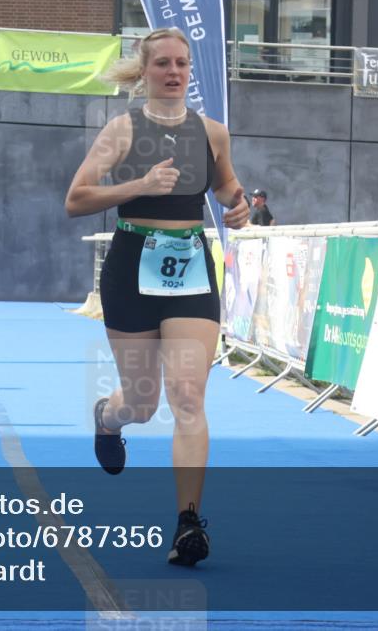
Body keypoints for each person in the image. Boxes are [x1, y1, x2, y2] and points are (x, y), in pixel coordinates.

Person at [64, 28, 249, 567]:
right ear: (144, 71)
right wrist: (139, 184)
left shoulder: (213, 132)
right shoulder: (121, 130)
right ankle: (109, 416)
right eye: (163, 63)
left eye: (182, 64)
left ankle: (188, 522)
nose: (174, 72)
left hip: (190, 267)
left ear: (192, 70)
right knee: (142, 405)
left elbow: (226, 187)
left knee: (188, 397)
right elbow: (76, 199)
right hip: (131, 267)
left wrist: (238, 206)